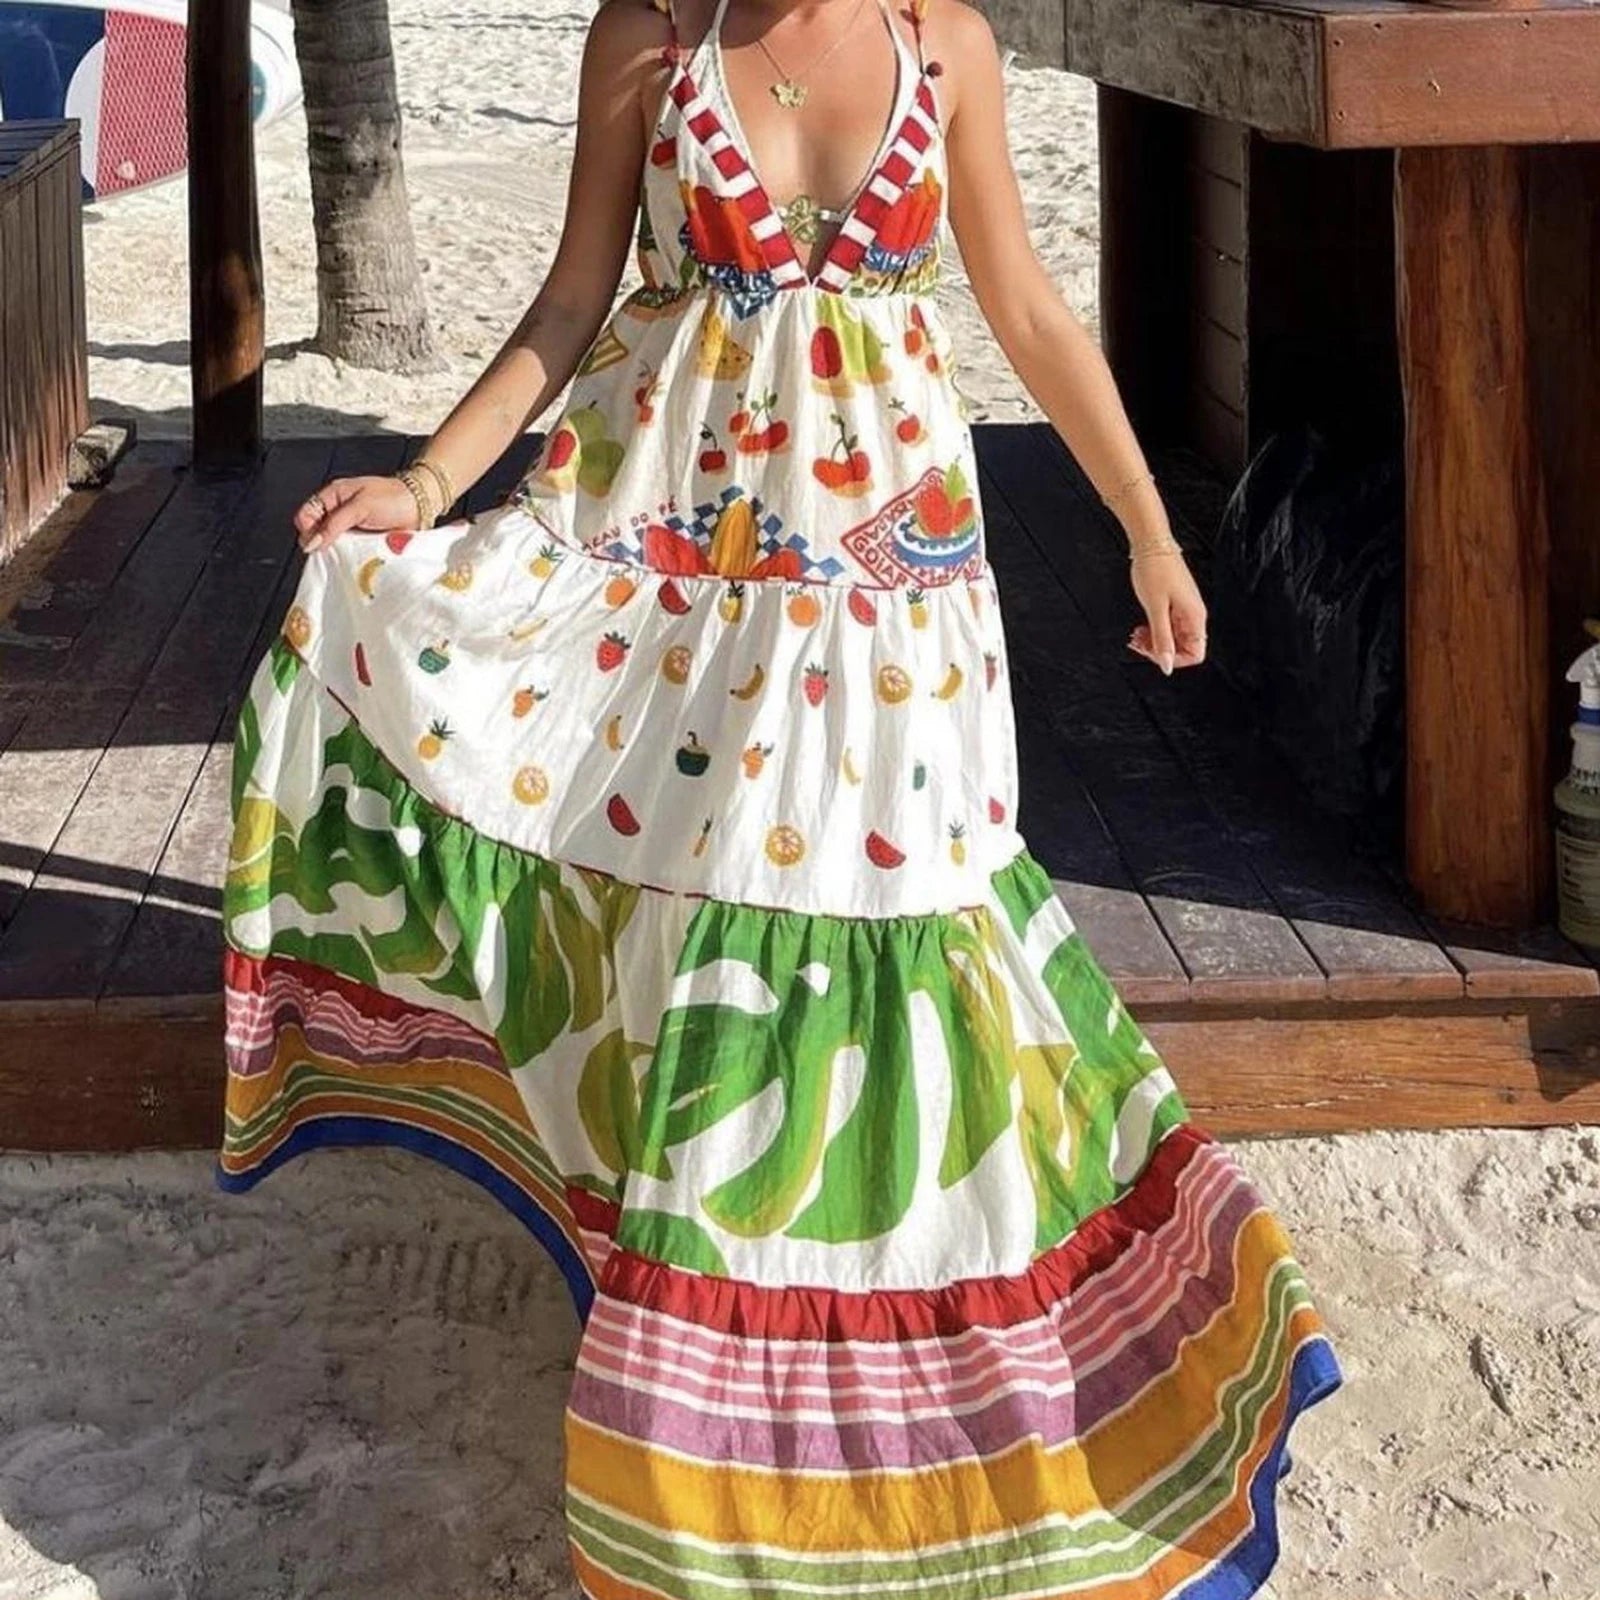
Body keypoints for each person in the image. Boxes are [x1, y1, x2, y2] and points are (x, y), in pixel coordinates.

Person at [219, 0, 1344, 1593]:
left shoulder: (944, 42)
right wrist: (421, 485)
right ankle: (700, 1442)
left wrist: (1151, 531)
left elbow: (1022, 303)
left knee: (909, 916)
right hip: (679, 551)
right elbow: (567, 302)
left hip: (897, 583)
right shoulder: (651, 34)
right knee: (713, 920)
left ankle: (940, 1421)